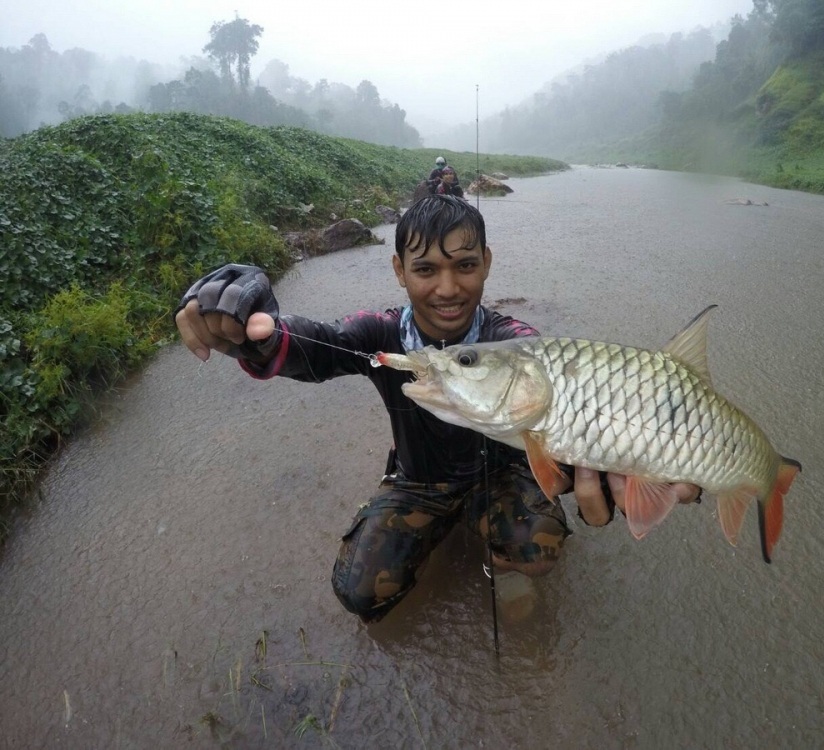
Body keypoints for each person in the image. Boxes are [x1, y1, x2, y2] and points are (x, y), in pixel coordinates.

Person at [174, 195, 699, 624]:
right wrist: (252, 332)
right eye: (426, 269)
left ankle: (507, 565)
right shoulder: (380, 332)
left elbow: (583, 409)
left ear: (487, 264)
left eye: (466, 266)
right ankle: (437, 529)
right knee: (361, 592)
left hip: (504, 474)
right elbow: (317, 345)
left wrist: (643, 463)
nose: (448, 289)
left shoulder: (514, 344)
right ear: (399, 270)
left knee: (534, 547)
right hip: (418, 478)